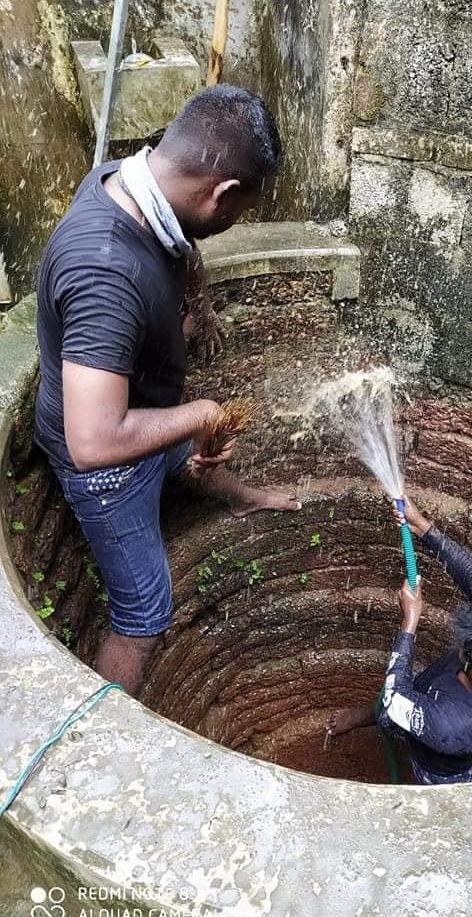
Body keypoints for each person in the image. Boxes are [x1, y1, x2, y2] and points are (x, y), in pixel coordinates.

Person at [34, 85, 301, 698]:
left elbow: (181, 242)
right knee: (144, 615)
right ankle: (105, 731)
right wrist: (202, 411)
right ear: (222, 193)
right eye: (241, 212)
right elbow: (94, 440)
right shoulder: (104, 270)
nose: (236, 223)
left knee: (187, 449)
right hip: (105, 465)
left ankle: (241, 497)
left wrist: (197, 305)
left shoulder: (132, 180)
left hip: (143, 411)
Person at [327, 497, 472, 784]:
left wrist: (410, 621)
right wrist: (423, 528)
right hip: (425, 696)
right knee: (403, 691)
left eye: (464, 652)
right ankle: (362, 717)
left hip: (439, 772)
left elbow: (395, 701)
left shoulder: (453, 727)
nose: (459, 648)